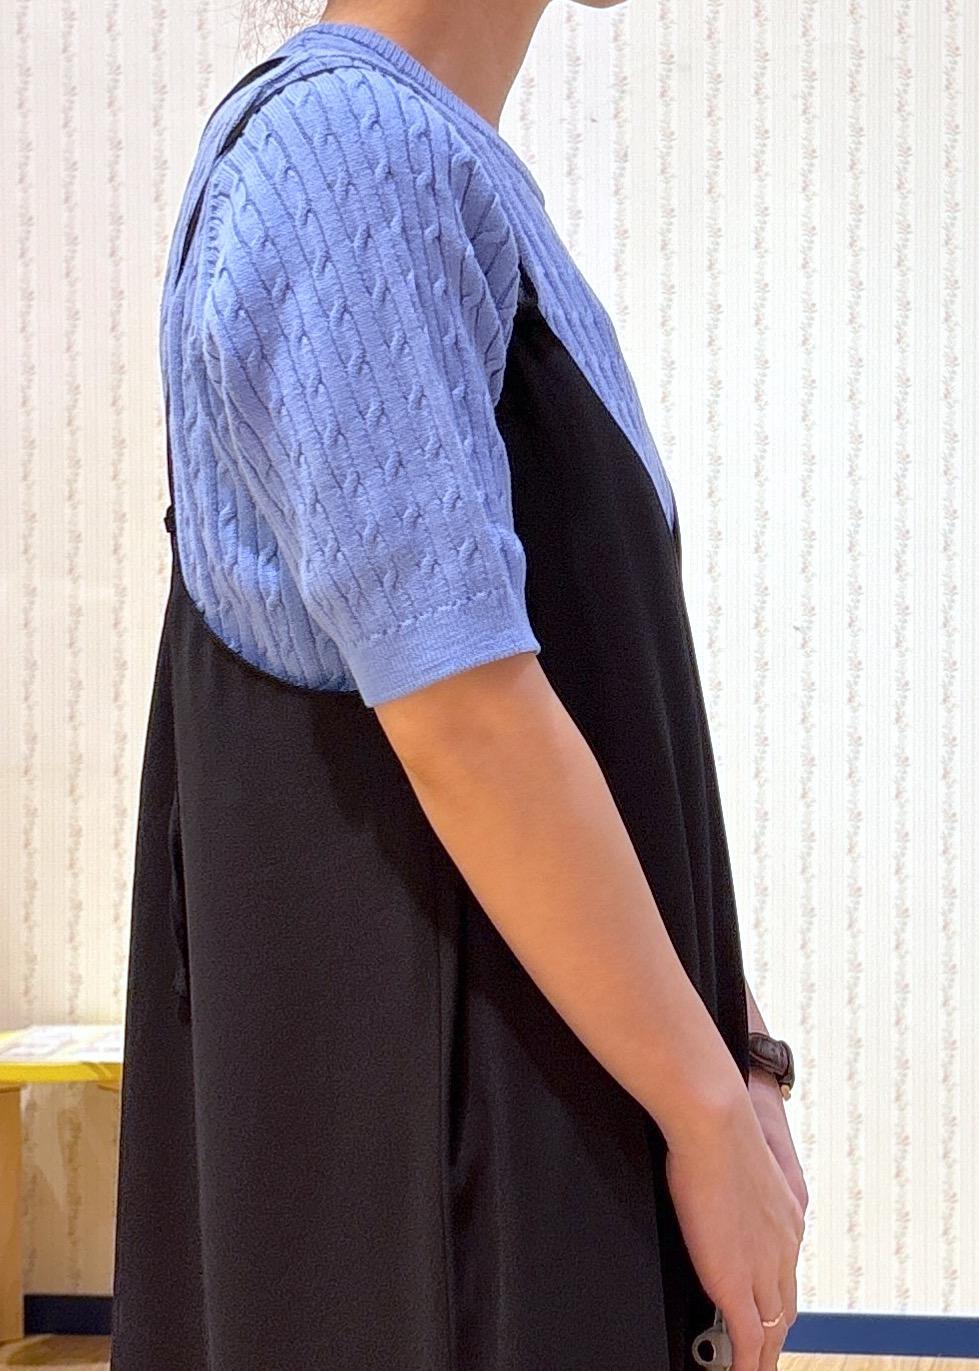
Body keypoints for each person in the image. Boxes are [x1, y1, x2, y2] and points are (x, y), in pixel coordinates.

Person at [110, 3, 808, 1369]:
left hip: (528, 1115)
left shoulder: (436, 163)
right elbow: (464, 717)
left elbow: (595, 705)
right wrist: (705, 1107)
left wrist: (737, 1052)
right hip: (453, 1175)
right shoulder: (342, 152)